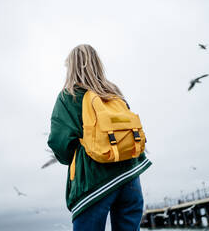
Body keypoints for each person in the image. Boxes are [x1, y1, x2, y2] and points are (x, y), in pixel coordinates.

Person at [47, 44, 152, 231]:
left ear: (71, 67)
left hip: (94, 184)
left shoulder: (68, 96)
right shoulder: (114, 92)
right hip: (130, 177)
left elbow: (60, 146)